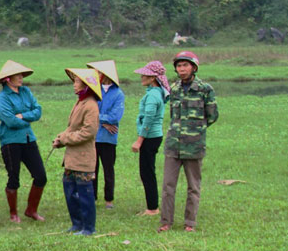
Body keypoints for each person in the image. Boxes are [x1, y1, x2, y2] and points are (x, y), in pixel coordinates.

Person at [159, 51, 218, 233]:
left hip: (194, 145)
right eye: (179, 66)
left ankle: (189, 223)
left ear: (194, 67)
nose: (182, 69)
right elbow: (173, 116)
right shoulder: (174, 89)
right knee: (168, 186)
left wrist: (196, 130)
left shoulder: (205, 89)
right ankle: (166, 222)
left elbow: (212, 115)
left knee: (193, 186)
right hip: (173, 145)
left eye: (185, 65)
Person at [0, 60, 47, 222]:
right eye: (17, 75)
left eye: (21, 74)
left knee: (40, 176)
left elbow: (38, 111)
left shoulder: (26, 91)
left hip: (28, 138)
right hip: (11, 141)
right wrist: (27, 118)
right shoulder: (2, 97)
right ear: (8, 79)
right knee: (13, 177)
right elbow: (10, 121)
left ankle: (31, 210)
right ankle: (13, 213)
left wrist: (24, 116)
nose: (21, 77)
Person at [53, 68, 102, 236]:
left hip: (83, 157)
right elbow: (73, 128)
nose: (74, 85)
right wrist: (61, 139)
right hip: (71, 158)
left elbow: (88, 132)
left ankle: (88, 228)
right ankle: (76, 224)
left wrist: (64, 138)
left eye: (77, 82)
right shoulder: (80, 102)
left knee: (84, 194)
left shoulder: (91, 105)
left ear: (86, 85)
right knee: (70, 191)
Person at [131, 61, 169, 216]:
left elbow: (148, 119)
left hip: (150, 137)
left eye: (145, 75)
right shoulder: (155, 91)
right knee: (147, 171)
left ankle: (152, 208)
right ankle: (152, 205)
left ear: (153, 78)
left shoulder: (153, 95)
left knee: (147, 172)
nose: (141, 77)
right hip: (153, 136)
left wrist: (139, 140)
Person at [86, 60, 124, 208]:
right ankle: (92, 197)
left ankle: (109, 199)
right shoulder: (94, 90)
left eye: (99, 72)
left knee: (108, 169)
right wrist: (104, 120)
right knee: (91, 169)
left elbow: (116, 116)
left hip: (108, 138)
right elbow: (89, 111)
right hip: (93, 136)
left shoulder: (118, 94)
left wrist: (99, 117)